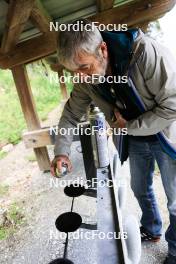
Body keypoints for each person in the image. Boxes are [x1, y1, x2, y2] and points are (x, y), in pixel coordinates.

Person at [50, 19, 176, 264]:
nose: (81, 78)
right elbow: (70, 115)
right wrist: (61, 151)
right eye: (73, 72)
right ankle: (151, 228)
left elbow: (173, 105)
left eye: (84, 68)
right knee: (140, 188)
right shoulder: (85, 78)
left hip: (166, 132)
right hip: (133, 138)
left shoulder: (146, 54)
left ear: (103, 50)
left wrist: (130, 126)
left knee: (175, 201)